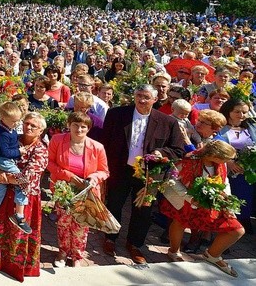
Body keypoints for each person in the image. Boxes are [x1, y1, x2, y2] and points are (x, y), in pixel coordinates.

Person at [99, 84, 185, 264]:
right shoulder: (117, 114)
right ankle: (110, 238)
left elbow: (177, 149)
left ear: (155, 99)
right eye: (139, 95)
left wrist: (162, 153)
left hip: (149, 175)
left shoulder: (167, 122)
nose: (141, 100)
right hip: (120, 169)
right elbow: (104, 142)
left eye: (146, 97)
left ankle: (135, 244)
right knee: (114, 204)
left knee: (143, 211)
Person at [160, 141, 245, 277]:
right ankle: (173, 251)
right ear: (214, 155)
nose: (228, 162)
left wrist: (227, 199)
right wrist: (190, 198)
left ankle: (212, 255)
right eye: (226, 159)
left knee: (237, 230)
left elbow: (224, 181)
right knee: (180, 222)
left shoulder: (220, 163)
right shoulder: (189, 160)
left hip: (213, 201)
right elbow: (172, 179)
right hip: (187, 199)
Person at [0, 112, 49, 278]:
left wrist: (5, 177)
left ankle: (16, 268)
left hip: (24, 199)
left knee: (17, 233)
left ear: (41, 130)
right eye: (26, 123)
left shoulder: (41, 150)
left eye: (33, 126)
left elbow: (29, 177)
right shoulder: (14, 139)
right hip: (5, 194)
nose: (28, 127)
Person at [47, 112, 109, 267]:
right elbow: (49, 163)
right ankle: (62, 252)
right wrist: (68, 175)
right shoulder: (57, 140)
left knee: (81, 226)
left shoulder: (97, 147)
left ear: (88, 129)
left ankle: (77, 256)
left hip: (85, 192)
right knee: (63, 223)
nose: (79, 129)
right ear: (69, 125)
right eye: (75, 125)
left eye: (83, 126)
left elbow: (104, 171)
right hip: (64, 190)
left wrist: (93, 178)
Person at [0, 102, 32, 234]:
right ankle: (19, 214)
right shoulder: (2, 134)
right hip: (4, 161)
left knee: (1, 185)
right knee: (23, 182)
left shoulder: (8, 129)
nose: (16, 124)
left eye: (18, 121)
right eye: (14, 121)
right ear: (4, 119)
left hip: (7, 160)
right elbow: (5, 152)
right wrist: (19, 152)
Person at [218, 98, 256, 234]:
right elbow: (216, 145)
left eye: (244, 112)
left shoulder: (251, 127)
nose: (241, 115)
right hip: (228, 168)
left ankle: (242, 220)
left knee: (245, 196)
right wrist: (229, 162)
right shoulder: (221, 128)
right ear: (228, 111)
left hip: (246, 170)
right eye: (237, 112)